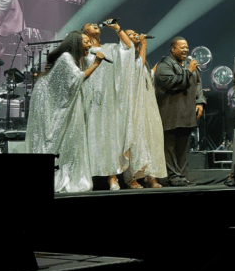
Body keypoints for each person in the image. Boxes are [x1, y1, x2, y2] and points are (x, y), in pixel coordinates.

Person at [25, 31, 105, 193]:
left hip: (55, 98)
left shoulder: (73, 58)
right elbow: (78, 78)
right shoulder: (66, 57)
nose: (89, 45)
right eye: (86, 41)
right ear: (76, 43)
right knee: (49, 135)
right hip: (46, 98)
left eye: (90, 42)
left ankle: (65, 172)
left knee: (63, 134)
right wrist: (96, 63)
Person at [81, 20, 135, 190]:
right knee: (90, 135)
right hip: (89, 98)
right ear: (84, 32)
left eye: (96, 24)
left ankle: (112, 177)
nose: (95, 24)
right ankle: (86, 176)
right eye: (90, 24)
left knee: (109, 137)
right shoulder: (82, 50)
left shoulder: (110, 48)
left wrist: (117, 28)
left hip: (109, 99)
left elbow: (128, 47)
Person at [154, 36, 206, 187]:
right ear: (172, 49)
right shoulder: (164, 64)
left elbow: (197, 84)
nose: (185, 50)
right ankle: (173, 176)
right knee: (170, 147)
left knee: (184, 147)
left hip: (187, 112)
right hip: (170, 112)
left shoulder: (189, 64)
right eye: (182, 47)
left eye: (187, 47)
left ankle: (182, 176)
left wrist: (200, 102)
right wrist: (188, 71)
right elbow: (172, 83)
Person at [122, 30, 167, 188]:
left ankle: (149, 174)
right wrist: (144, 44)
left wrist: (153, 71)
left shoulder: (141, 56)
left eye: (135, 33)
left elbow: (145, 76)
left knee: (150, 136)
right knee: (135, 137)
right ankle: (131, 176)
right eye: (130, 34)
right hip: (133, 102)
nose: (135, 35)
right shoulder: (124, 55)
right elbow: (136, 69)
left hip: (147, 101)